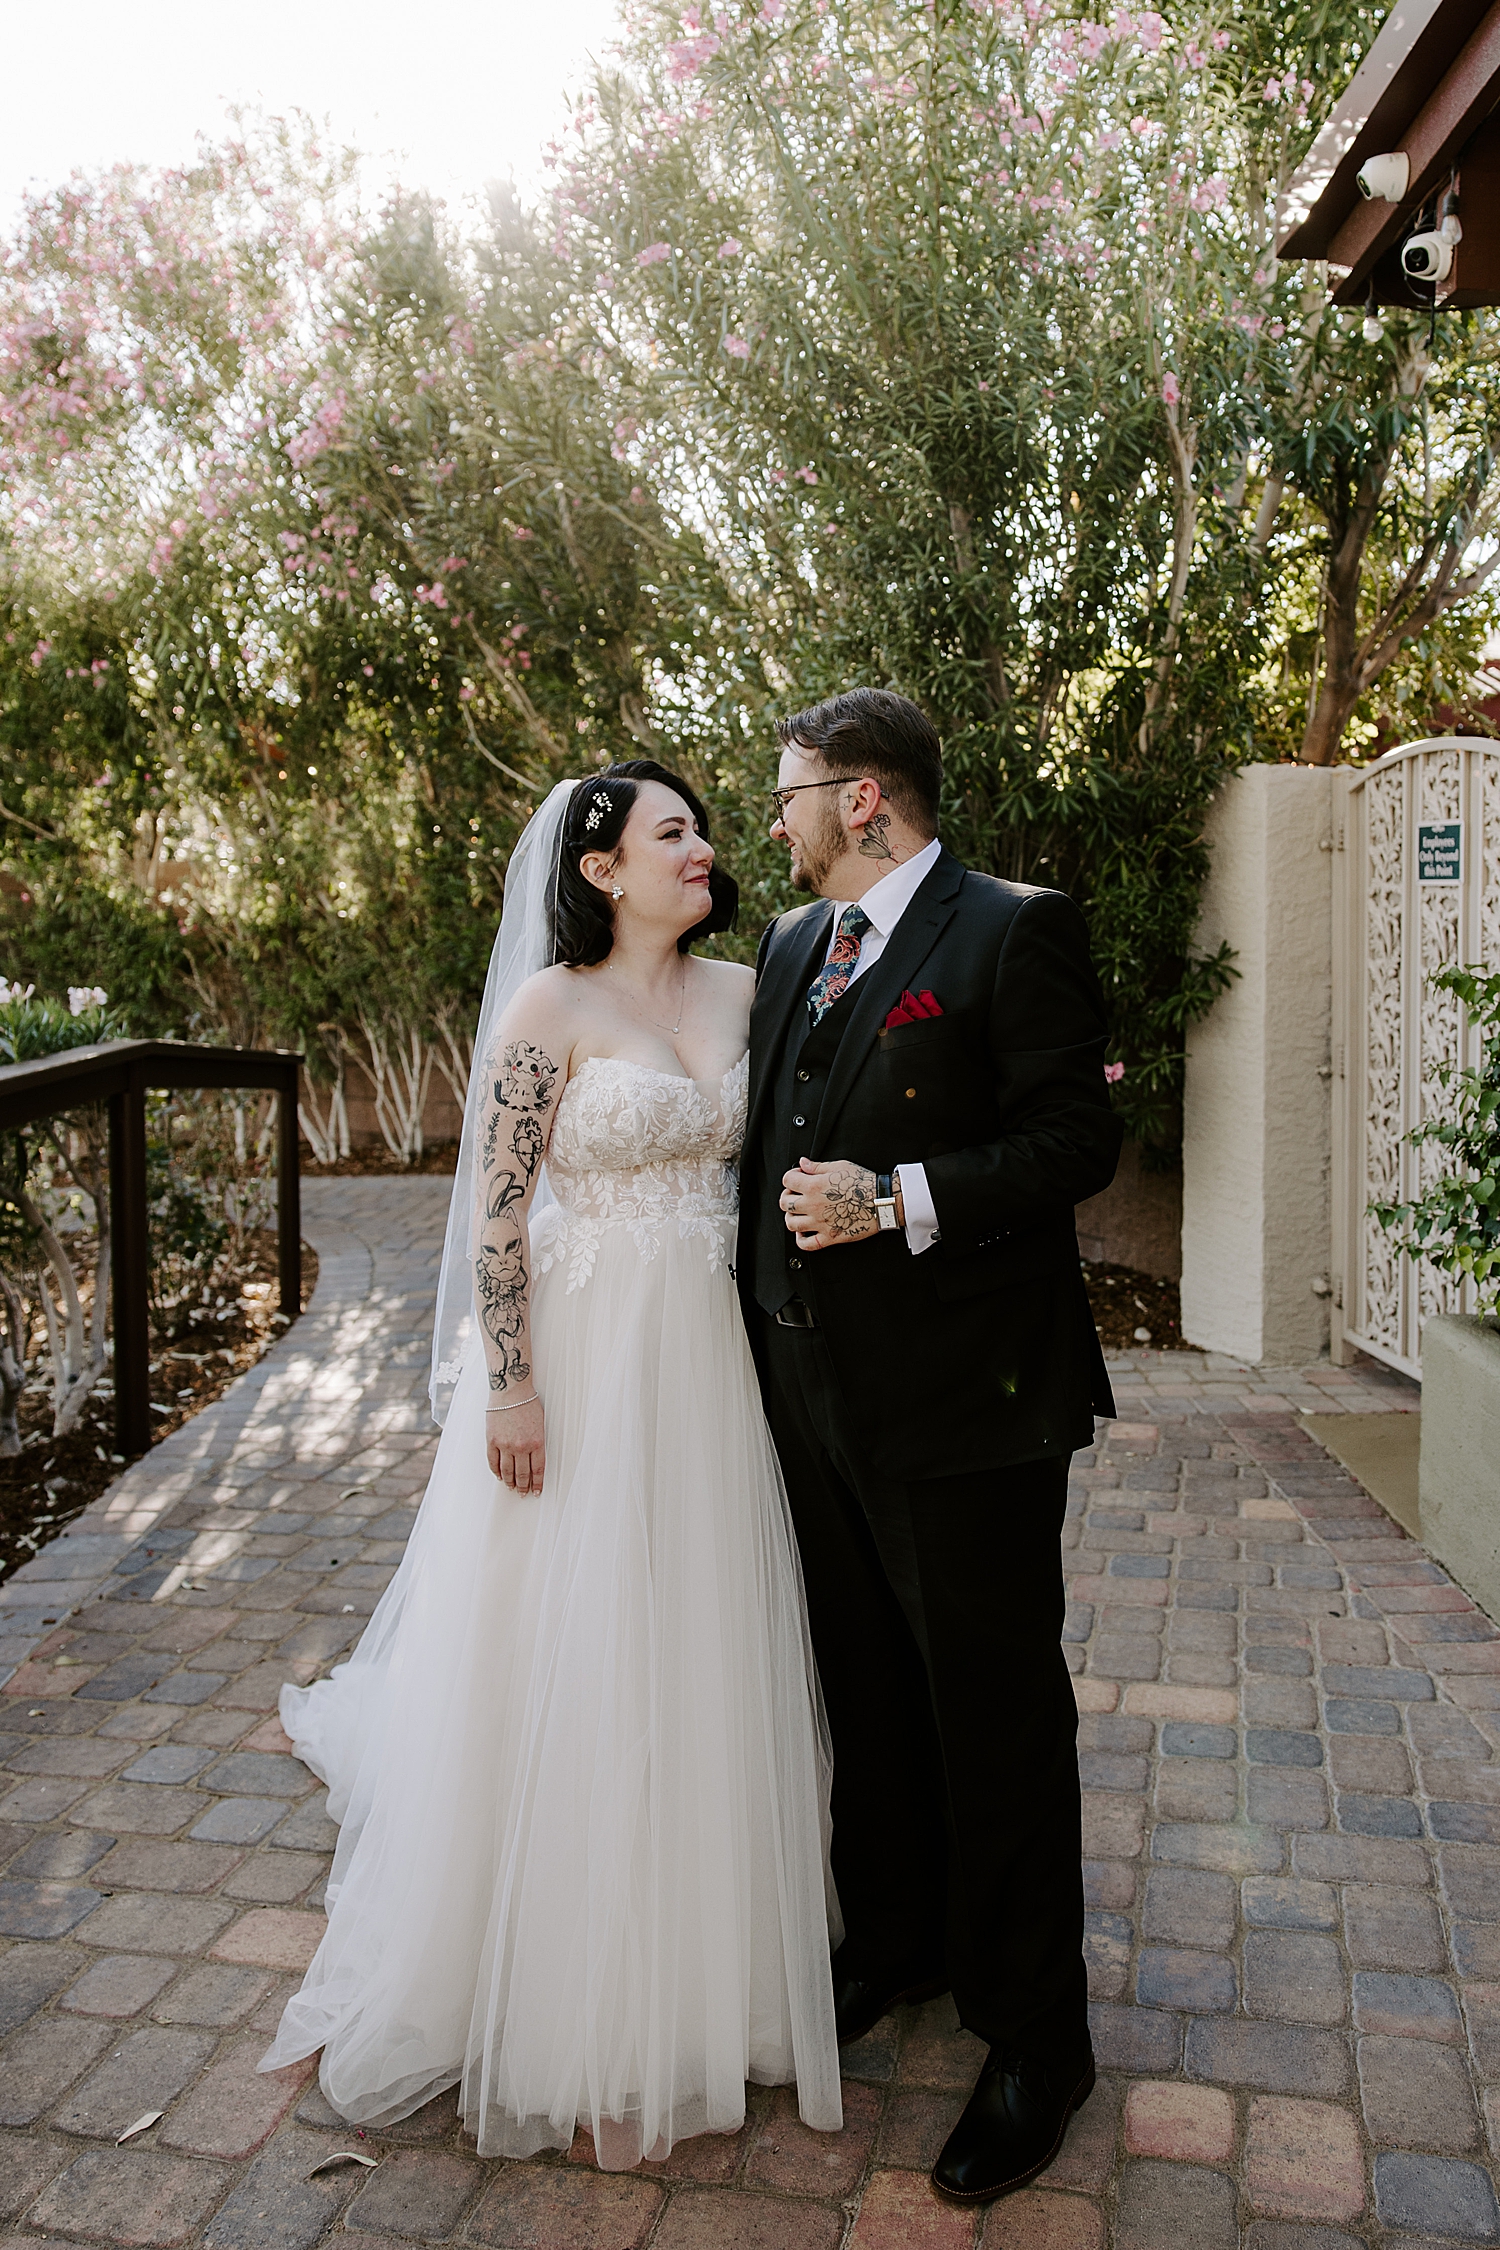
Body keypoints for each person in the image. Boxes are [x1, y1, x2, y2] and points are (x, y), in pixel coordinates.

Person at [260, 762, 843, 2169]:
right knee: (568, 1651)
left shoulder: (746, 992)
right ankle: (554, 1983)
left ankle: (706, 1958)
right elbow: (499, 1216)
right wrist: (509, 1384)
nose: (703, 847)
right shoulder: (548, 1010)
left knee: (688, 1639)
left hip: (705, 1370)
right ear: (599, 869)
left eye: (703, 827)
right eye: (672, 832)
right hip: (575, 1369)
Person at [736, 689, 1123, 2207]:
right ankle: (890, 1944)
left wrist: (895, 1197)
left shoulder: (1011, 929)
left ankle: (1041, 2036)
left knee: (995, 1719)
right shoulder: (788, 945)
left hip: (968, 1404)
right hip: (807, 1390)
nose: (776, 819)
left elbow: (1071, 1146)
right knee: (868, 1687)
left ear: (869, 798)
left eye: (792, 795)